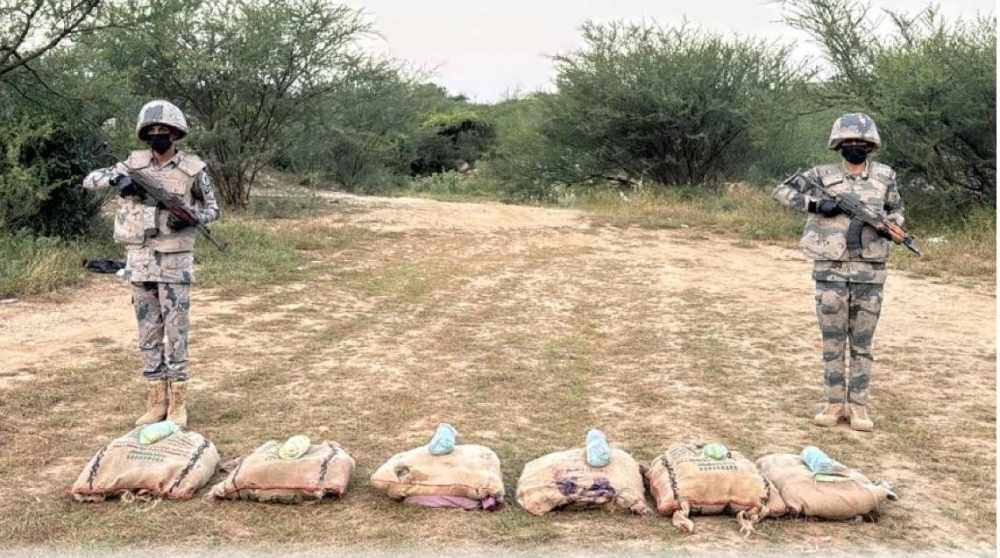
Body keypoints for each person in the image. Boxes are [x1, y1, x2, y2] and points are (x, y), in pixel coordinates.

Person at [83, 100, 219, 428]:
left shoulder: (194, 169)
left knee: (177, 332)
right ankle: (156, 400)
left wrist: (190, 218)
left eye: (164, 130)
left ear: (175, 133)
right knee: (148, 332)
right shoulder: (132, 164)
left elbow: (213, 209)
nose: (157, 135)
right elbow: (90, 180)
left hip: (174, 262)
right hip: (141, 260)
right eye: (152, 130)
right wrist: (118, 182)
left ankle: (177, 403)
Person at [772, 113, 906, 432]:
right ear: (839, 144)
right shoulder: (821, 175)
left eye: (861, 142)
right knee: (832, 340)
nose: (855, 145)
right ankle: (833, 403)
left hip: (870, 272)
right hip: (829, 270)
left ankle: (858, 405)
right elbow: (781, 191)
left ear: (871, 145)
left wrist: (891, 226)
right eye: (849, 141)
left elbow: (897, 210)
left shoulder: (885, 176)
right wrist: (817, 206)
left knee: (862, 343)